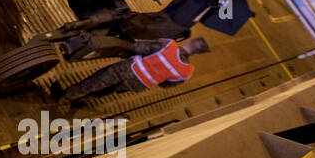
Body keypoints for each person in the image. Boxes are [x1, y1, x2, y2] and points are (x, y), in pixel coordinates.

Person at [57, 37, 209, 108]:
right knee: (107, 90)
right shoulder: (187, 72)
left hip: (127, 70)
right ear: (197, 54)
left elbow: (137, 47)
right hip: (137, 85)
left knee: (94, 82)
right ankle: (81, 100)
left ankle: (63, 98)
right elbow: (166, 86)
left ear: (189, 41)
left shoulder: (169, 45)